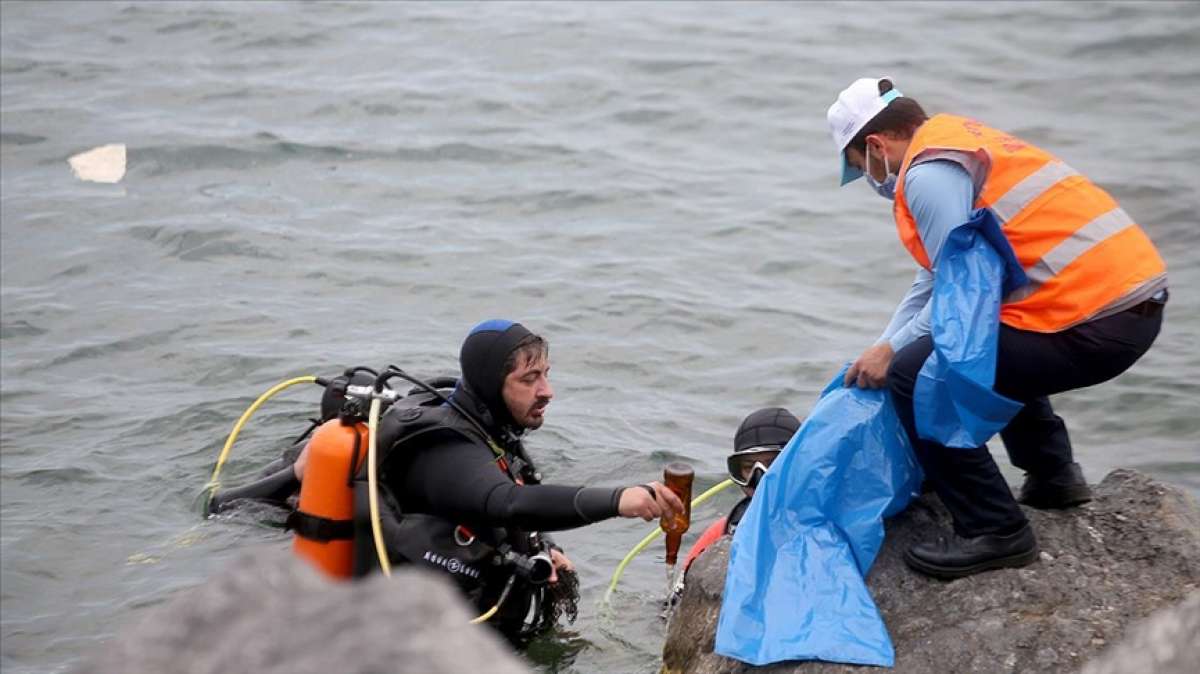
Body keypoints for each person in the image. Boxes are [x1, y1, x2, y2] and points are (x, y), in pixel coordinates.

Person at [826, 77, 1167, 579]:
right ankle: (1054, 476)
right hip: (1131, 305)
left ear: (875, 144)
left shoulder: (926, 176)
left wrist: (893, 354)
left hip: (1099, 319)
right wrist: (884, 342)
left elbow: (961, 296)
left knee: (915, 374)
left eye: (861, 166)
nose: (872, 179)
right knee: (989, 346)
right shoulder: (956, 141)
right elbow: (936, 277)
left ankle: (995, 529)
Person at [278, 319, 683, 644]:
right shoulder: (445, 447)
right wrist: (618, 500)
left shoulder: (492, 429)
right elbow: (506, 502)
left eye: (546, 375)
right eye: (529, 380)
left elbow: (519, 493)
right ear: (491, 384)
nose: (547, 391)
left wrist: (546, 547)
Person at [679, 407, 802, 573]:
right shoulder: (723, 532)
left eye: (773, 464)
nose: (760, 480)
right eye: (748, 467)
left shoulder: (829, 526)